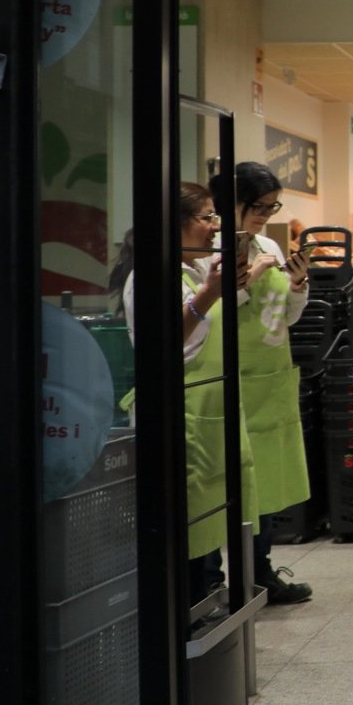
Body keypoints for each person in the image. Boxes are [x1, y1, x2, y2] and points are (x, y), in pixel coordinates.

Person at [112, 183, 256, 609]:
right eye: (206, 218)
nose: (215, 227)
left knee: (208, 524)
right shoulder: (149, 277)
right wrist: (210, 293)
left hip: (207, 415)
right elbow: (168, 344)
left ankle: (205, 602)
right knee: (185, 530)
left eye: (215, 217)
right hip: (179, 417)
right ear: (175, 226)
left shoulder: (192, 271)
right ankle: (187, 620)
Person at [225, 161, 315, 605]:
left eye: (271, 206)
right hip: (228, 382)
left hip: (271, 380)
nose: (265, 215)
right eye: (258, 206)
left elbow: (287, 315)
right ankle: (214, 582)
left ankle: (259, 573)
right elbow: (206, 315)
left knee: (265, 488)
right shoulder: (211, 250)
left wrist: (297, 285)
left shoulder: (267, 246)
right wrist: (248, 280)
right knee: (225, 490)